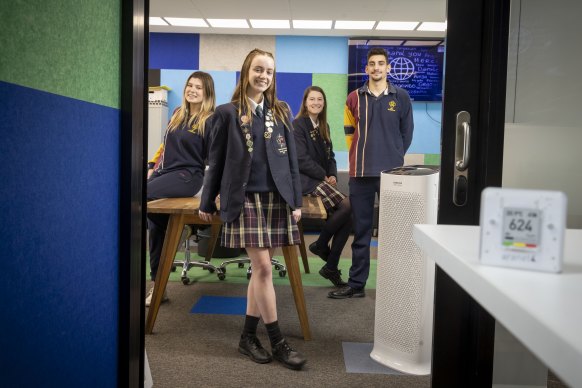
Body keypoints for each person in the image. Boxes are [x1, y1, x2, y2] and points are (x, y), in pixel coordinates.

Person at [199, 48, 307, 370]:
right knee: (262, 269)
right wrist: (207, 201)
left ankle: (247, 337)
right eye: (258, 69)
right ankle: (278, 342)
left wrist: (296, 200)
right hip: (244, 199)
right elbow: (215, 162)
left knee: (261, 273)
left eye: (269, 72)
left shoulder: (282, 112)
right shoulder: (227, 113)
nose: (263, 76)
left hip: (276, 198)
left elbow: (292, 163)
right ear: (247, 71)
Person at [329, 47, 414, 299]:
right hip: (361, 173)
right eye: (372, 64)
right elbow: (348, 133)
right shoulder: (353, 98)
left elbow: (406, 134)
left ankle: (394, 286)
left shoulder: (401, 97)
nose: (376, 68)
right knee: (362, 232)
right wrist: (358, 157)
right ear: (366, 69)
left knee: (393, 231)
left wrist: (393, 156)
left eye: (381, 63)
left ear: (388, 68)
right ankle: (356, 285)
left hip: (392, 173)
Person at [146, 71, 216, 306]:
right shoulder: (177, 114)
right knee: (157, 226)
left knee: (142, 196)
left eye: (198, 87)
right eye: (190, 85)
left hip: (188, 176)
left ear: (207, 93)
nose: (192, 90)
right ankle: (159, 286)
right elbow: (165, 148)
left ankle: (183, 228)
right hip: (166, 173)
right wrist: (153, 169)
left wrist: (215, 190)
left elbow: (215, 158)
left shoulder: (210, 120)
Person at [292, 86, 352, 287]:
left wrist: (333, 174)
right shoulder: (298, 125)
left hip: (322, 179)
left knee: (349, 214)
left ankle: (331, 266)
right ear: (305, 102)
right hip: (307, 181)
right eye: (312, 99)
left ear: (323, 103)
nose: (316, 102)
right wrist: (324, 176)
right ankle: (319, 244)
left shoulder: (324, 126)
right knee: (348, 206)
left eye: (320, 99)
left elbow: (331, 157)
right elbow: (301, 159)